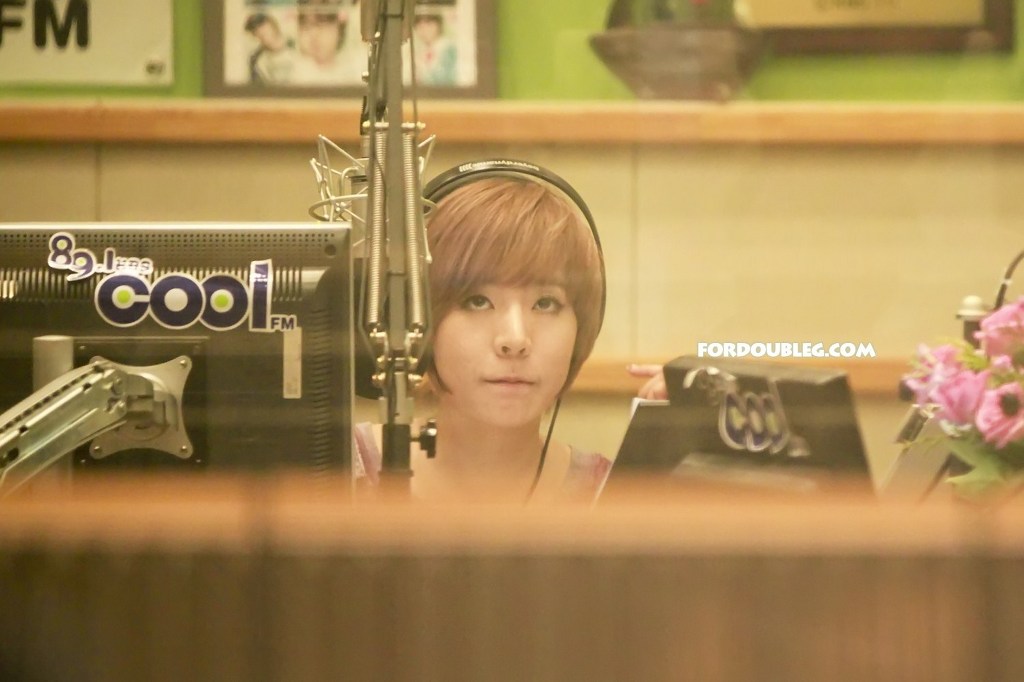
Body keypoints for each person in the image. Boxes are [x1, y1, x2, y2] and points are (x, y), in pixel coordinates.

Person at [353, 172, 610, 504]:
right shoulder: (335, 471)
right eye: (477, 301)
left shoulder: (614, 496)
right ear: (420, 321)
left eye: (545, 303)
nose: (515, 339)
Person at [293, 0, 365, 85]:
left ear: (339, 27)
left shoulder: (355, 68)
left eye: (321, 25)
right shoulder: (296, 72)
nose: (313, 34)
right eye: (306, 27)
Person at [244, 13, 297, 84]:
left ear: (273, 24)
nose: (260, 31)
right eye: (255, 30)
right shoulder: (257, 60)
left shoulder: (296, 44)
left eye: (262, 25)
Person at [411, 13, 457, 86]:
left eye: (429, 25)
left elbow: (445, 78)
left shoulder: (447, 48)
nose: (424, 31)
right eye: (420, 27)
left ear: (438, 26)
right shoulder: (422, 50)